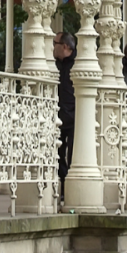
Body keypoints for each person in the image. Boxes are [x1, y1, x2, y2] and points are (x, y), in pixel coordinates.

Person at [54, 32, 76, 191]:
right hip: (58, 114)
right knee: (58, 152)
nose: (52, 46)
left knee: (73, 153)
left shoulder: (77, 63)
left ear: (65, 46)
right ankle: (62, 187)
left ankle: (71, 186)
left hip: (74, 115)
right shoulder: (54, 63)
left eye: (55, 43)